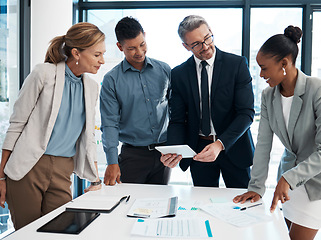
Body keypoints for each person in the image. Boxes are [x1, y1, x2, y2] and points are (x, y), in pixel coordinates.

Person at [233, 26, 321, 240]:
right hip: (288, 182)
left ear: (284, 64)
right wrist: (256, 187)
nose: (260, 75)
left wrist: (288, 179)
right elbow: (263, 144)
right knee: (285, 235)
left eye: (263, 68)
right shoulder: (268, 96)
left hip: (320, 181)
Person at [0, 22, 106, 230]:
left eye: (103, 54)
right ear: (76, 53)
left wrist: (95, 179)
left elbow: (88, 138)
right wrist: (1, 176)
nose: (102, 60)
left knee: (60, 231)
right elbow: (16, 125)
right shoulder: (43, 74)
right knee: (28, 232)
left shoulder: (92, 88)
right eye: (96, 55)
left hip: (63, 170)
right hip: (28, 168)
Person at [160, 15, 255, 188]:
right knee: (203, 204)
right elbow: (178, 119)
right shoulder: (179, 74)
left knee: (242, 205)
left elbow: (246, 113)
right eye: (196, 44)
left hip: (233, 147)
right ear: (186, 46)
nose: (205, 47)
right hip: (199, 150)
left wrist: (220, 144)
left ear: (211, 31)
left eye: (207, 38)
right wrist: (173, 150)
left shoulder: (237, 65)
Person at [100, 16, 171, 185]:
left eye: (142, 44)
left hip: (164, 154)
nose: (139, 52)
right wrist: (112, 161)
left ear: (145, 36)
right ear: (120, 46)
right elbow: (110, 123)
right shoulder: (112, 80)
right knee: (127, 205)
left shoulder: (164, 70)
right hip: (132, 156)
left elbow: (176, 111)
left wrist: (176, 147)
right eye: (131, 48)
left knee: (159, 206)